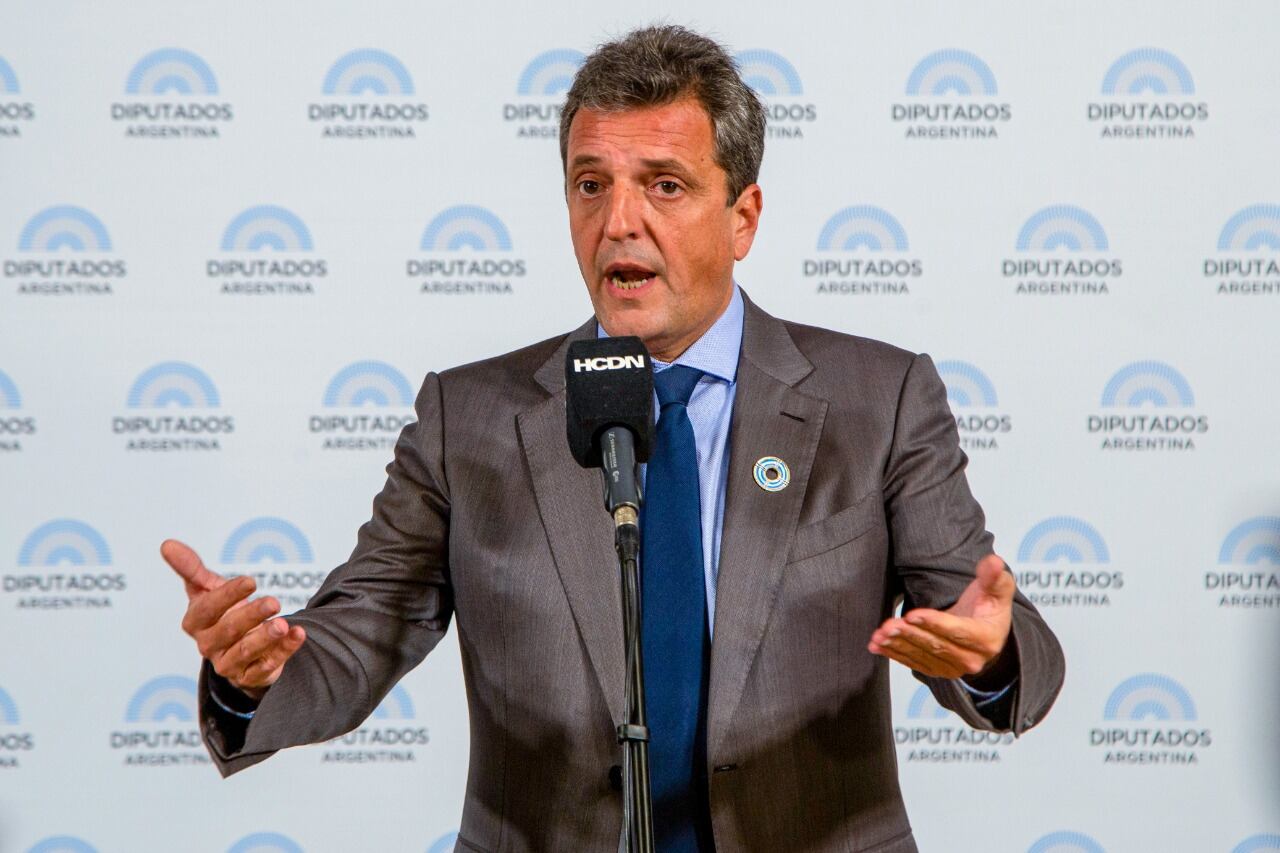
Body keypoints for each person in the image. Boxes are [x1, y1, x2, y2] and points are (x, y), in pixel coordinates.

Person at [164, 25, 1064, 853]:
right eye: (591, 184)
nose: (619, 222)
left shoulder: (879, 399)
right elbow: (358, 634)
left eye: (664, 185)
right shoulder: (466, 417)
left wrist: (991, 659)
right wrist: (254, 676)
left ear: (743, 216)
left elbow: (991, 628)